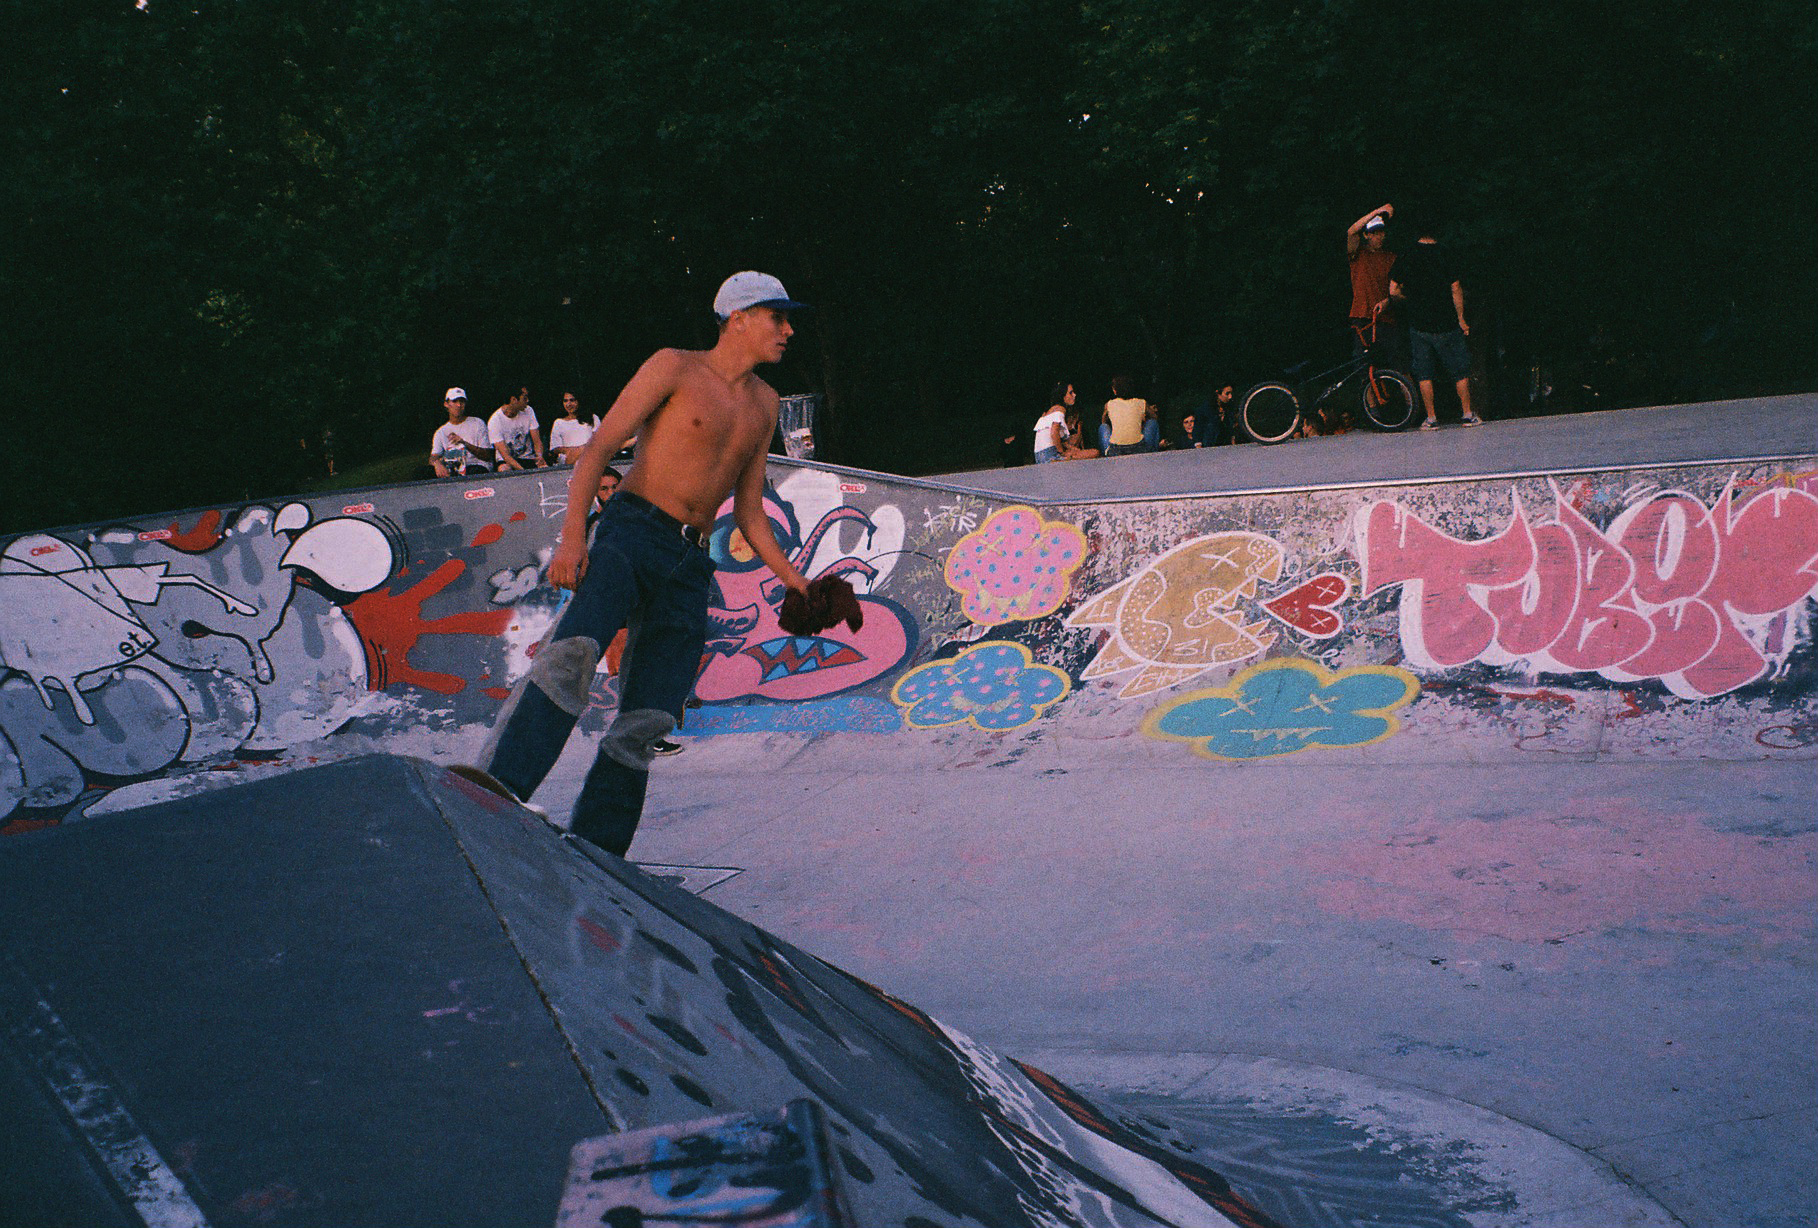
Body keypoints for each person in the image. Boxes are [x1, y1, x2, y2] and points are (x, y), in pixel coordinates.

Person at [473, 271, 814, 857]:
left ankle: (599, 847)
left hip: (689, 561)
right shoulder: (675, 367)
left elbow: (752, 511)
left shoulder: (764, 403)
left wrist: (796, 581)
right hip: (634, 530)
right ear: (738, 318)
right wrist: (573, 539)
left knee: (650, 715)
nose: (788, 329)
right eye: (776, 317)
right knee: (572, 657)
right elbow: (600, 449)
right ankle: (500, 792)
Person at [1389, 227, 1482, 430]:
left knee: (1424, 373)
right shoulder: (1445, 252)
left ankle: (1431, 418)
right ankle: (1467, 414)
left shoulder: (1407, 254)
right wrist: (1460, 318)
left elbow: (1393, 290)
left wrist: (1410, 299)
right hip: (1446, 321)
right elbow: (1455, 287)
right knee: (1459, 370)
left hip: (1419, 323)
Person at [430, 387, 493, 477]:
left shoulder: (477, 423)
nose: (459, 405)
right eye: (455, 401)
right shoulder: (441, 432)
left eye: (462, 402)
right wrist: (437, 464)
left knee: (474, 472)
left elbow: (487, 455)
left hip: (475, 466)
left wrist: (464, 443)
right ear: (446, 404)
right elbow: (434, 456)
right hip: (453, 469)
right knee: (423, 472)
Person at [490, 385, 549, 469]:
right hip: (507, 461)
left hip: (528, 458)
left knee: (544, 467)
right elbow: (505, 455)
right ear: (514, 400)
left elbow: (537, 441)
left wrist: (539, 457)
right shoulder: (495, 421)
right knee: (504, 469)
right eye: (524, 398)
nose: (527, 401)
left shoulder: (529, 410)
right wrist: (523, 472)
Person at [1102, 376, 1150, 456]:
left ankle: (1106, 455)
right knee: (1152, 422)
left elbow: (1103, 421)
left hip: (1116, 450)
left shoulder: (1109, 404)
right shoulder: (1141, 403)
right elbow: (1154, 417)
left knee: (1103, 427)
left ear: (1114, 391)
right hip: (1138, 448)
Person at [549, 391, 600, 464]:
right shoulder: (558, 423)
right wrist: (571, 451)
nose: (568, 404)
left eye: (572, 400)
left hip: (590, 461)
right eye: (565, 401)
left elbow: (598, 442)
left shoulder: (593, 418)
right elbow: (555, 449)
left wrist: (581, 450)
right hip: (568, 463)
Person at [1034, 383, 1071, 463]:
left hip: (1039, 456)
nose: (1074, 395)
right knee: (1094, 453)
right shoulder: (1060, 409)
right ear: (1063, 396)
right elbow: (1054, 433)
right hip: (1050, 455)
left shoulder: (1049, 412)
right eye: (1070, 393)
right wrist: (1062, 452)